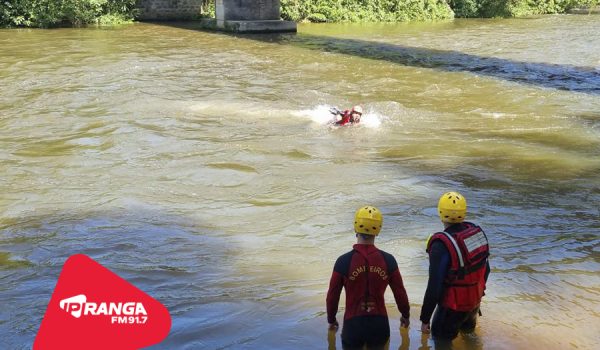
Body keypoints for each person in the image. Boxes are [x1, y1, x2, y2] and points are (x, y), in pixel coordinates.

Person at [327, 206, 410, 350]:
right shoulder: (388, 260)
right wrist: (405, 315)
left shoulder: (343, 261)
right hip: (379, 325)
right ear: (378, 230)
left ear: (355, 228)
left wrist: (331, 319)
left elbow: (332, 296)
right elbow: (400, 292)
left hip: (353, 326)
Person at [420, 192, 491, 344]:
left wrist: (425, 319)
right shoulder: (474, 232)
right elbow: (486, 269)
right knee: (470, 338)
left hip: (451, 309)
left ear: (440, 212)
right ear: (463, 213)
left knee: (440, 342)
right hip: (473, 304)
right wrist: (476, 295)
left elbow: (434, 286)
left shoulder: (440, 245)